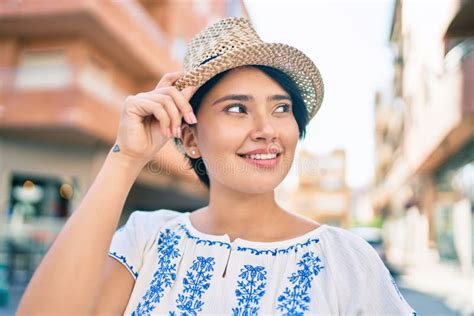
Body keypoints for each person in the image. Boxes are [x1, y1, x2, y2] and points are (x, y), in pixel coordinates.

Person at [17, 17, 418, 315]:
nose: (266, 130)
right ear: (190, 138)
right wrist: (127, 158)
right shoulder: (146, 239)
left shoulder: (346, 259)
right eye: (237, 108)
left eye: (281, 108)